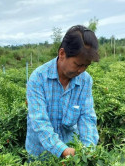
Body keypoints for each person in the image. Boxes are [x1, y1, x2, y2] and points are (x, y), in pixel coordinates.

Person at [25, 25, 99, 159]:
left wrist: (88, 149)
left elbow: (87, 117)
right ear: (62, 54)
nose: (81, 70)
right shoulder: (38, 78)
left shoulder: (85, 81)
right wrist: (62, 150)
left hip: (71, 151)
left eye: (86, 65)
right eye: (77, 64)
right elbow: (39, 121)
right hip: (41, 155)